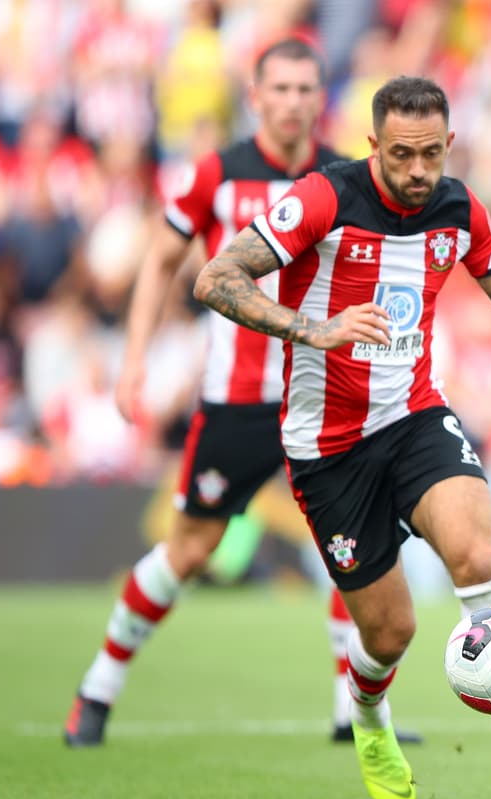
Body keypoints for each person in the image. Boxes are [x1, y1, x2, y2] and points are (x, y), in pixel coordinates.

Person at [191, 75, 491, 799]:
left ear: (449, 145)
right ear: (372, 147)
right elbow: (214, 277)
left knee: (478, 558)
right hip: (326, 446)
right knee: (390, 632)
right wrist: (310, 327)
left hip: (415, 415)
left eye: (430, 154)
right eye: (400, 156)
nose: (418, 171)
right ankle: (367, 715)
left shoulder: (460, 208)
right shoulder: (324, 198)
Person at [62, 38, 421, 750]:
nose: (292, 101)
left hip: (324, 397)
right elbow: (163, 256)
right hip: (237, 401)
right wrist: (134, 356)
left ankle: (347, 712)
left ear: (323, 99)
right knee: (189, 548)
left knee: (348, 549)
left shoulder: (347, 178)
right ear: (254, 97)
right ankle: (97, 686)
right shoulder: (216, 176)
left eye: (305, 89)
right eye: (279, 88)